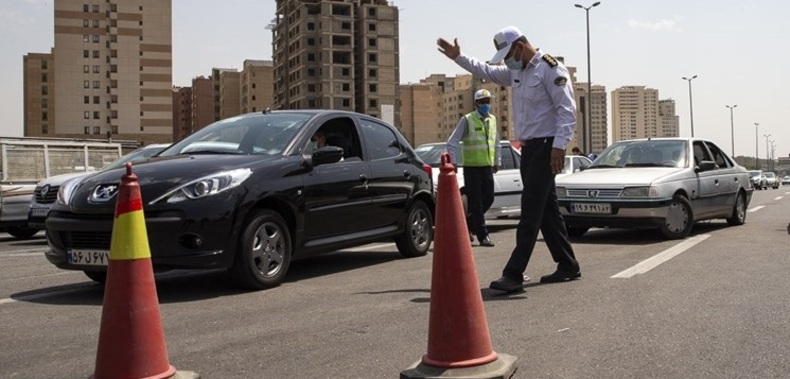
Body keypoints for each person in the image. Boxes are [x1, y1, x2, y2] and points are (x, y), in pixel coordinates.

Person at [438, 25, 581, 293]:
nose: (506, 61)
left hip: (547, 147)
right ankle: (568, 264)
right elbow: (486, 71)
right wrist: (458, 57)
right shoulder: (517, 71)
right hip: (529, 150)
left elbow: (567, 112)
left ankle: (514, 273)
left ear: (520, 46)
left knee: (530, 211)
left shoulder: (551, 69)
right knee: (547, 211)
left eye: (508, 55)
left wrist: (560, 147)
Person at [447, 89, 501, 247]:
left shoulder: (492, 120)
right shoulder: (467, 120)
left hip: (487, 167)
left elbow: (496, 142)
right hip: (472, 168)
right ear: (476, 103)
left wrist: (496, 160)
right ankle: (483, 236)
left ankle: (468, 223)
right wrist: (454, 161)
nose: (486, 105)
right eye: (483, 102)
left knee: (489, 198)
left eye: (488, 101)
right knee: (476, 202)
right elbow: (452, 142)